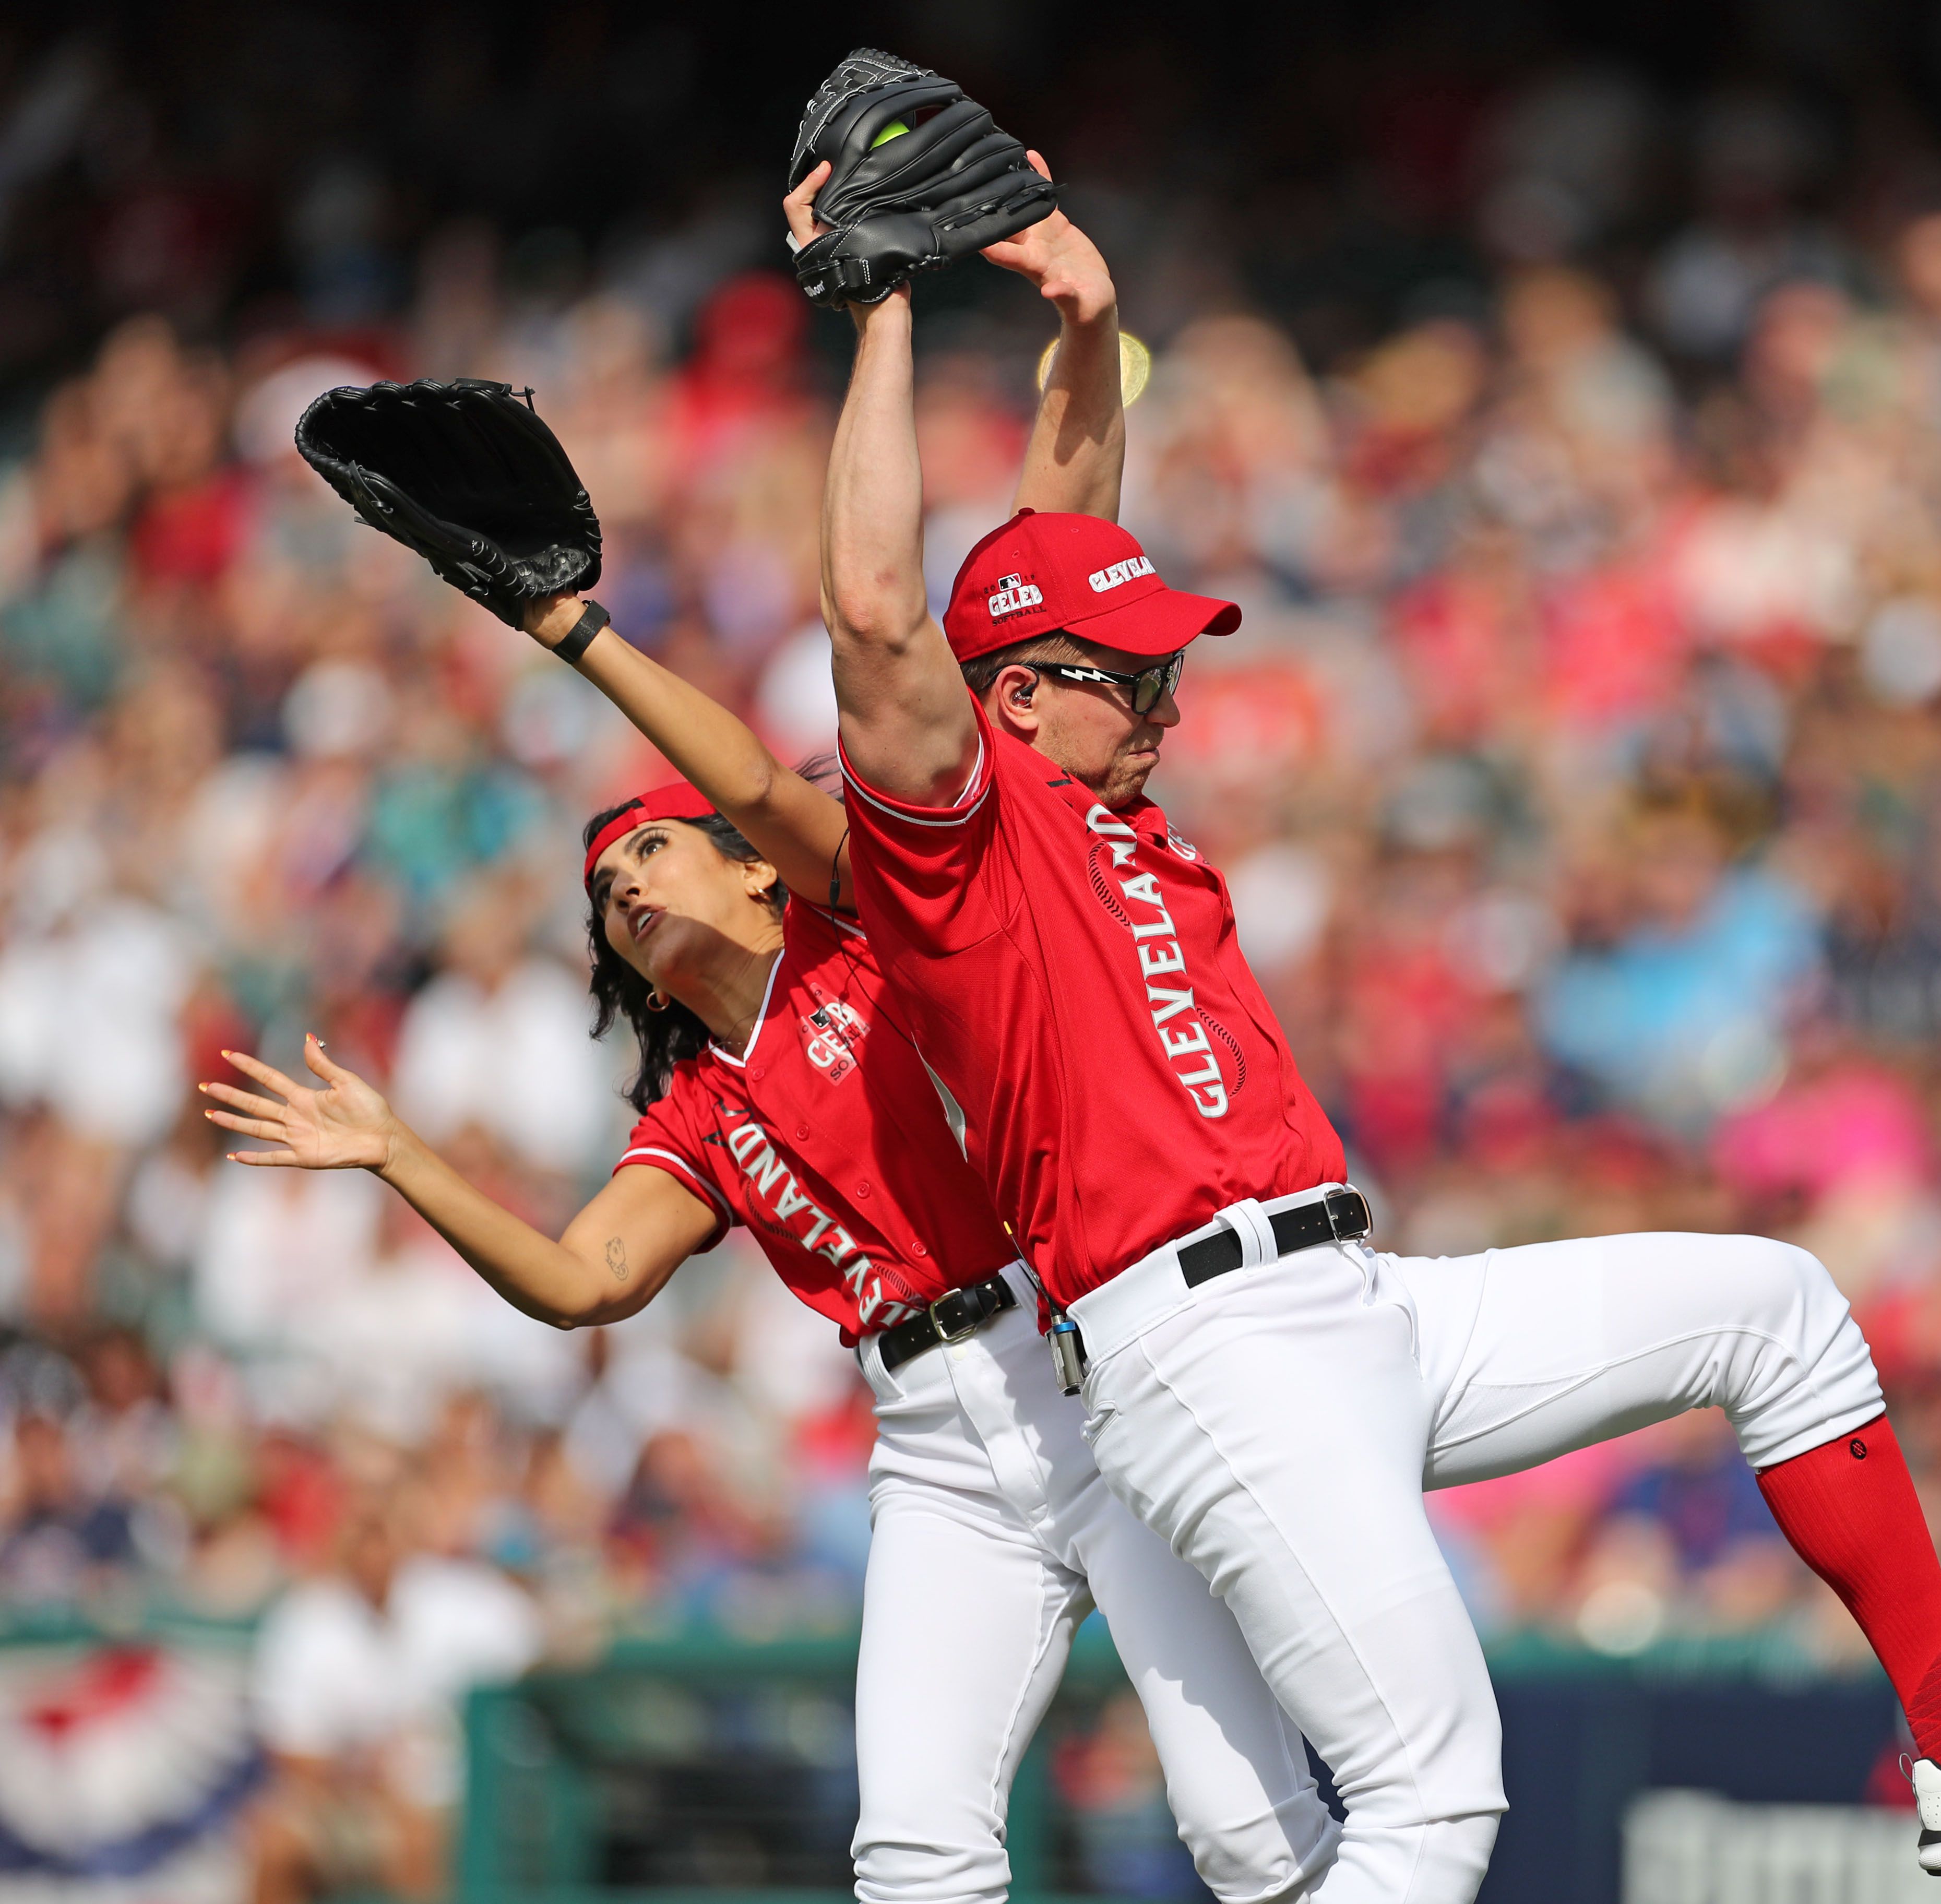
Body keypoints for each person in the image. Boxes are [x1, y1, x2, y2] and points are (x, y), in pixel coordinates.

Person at [787, 162, 1941, 1894]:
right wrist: (878, 308)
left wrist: (1088, 330)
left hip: (1353, 1305)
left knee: (1777, 1311)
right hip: (1209, 1343)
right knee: (1431, 1803)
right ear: (1020, 701)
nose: (1172, 698)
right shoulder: (962, 843)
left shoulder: (1087, 795)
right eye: (1137, 674)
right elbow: (888, 618)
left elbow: (1053, 551)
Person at [200, 188, 1337, 1904]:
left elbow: (800, 738)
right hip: (935, 1431)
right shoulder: (707, 1118)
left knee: (1252, 1825)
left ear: (746, 866)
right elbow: (584, 1284)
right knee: (915, 1851)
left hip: (1086, 1362)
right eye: (605, 884)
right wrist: (401, 1156)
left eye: (646, 846)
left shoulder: (865, 923)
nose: (630, 874)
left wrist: (576, 634)